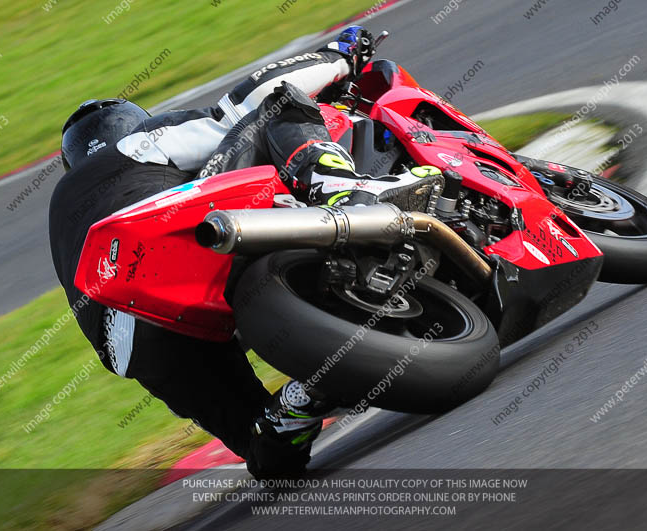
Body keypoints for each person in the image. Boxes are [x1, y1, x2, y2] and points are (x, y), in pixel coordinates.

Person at [49, 26, 441, 478]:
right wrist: (341, 56)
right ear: (131, 125)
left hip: (132, 342)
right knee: (280, 103)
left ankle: (296, 405)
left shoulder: (64, 221)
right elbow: (242, 105)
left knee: (263, 450)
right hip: (179, 243)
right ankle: (343, 192)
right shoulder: (135, 146)